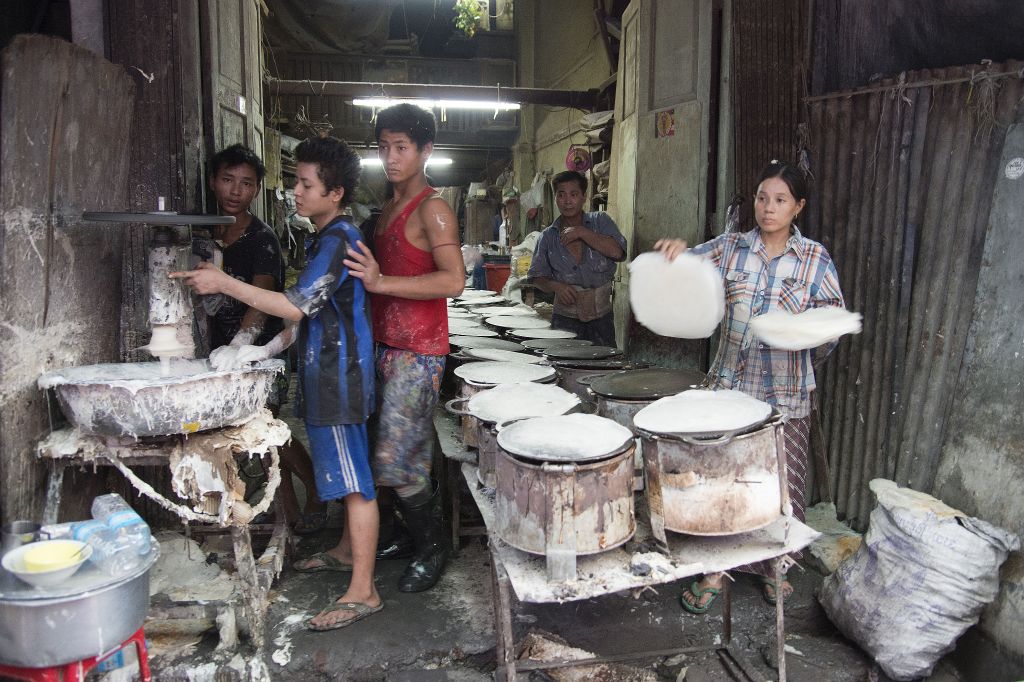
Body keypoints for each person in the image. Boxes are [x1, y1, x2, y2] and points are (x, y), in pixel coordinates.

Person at [173, 137, 380, 631]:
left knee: (356, 487)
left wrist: (224, 283)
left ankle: (364, 590)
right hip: (324, 370)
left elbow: (292, 304)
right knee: (346, 477)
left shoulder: (337, 241)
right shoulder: (322, 237)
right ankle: (347, 551)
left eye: (306, 184)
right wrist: (265, 349)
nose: (295, 192)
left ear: (336, 193)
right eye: (295, 182)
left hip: (340, 377)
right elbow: (305, 313)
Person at [654, 160, 845, 612]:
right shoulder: (733, 247)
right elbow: (691, 271)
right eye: (762, 197)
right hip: (728, 390)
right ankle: (715, 571)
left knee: (781, 487)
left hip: (785, 396)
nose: (768, 208)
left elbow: (832, 324)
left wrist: (799, 351)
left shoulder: (815, 259)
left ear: (798, 206)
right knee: (722, 481)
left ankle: (776, 569)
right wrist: (678, 254)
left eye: (780, 200)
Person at [342, 102, 465, 593]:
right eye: (383, 147)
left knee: (401, 457)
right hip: (383, 343)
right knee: (384, 448)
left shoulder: (433, 210)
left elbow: (454, 281)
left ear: (425, 151)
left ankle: (434, 547)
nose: (390, 158)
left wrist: (380, 281)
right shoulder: (388, 206)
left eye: (401, 148)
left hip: (418, 351)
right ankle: (405, 535)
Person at [204, 144, 326, 535]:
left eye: (245, 184)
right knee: (256, 444)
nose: (235, 191)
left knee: (270, 434)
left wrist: (243, 345)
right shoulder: (203, 233)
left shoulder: (263, 239)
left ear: (256, 190)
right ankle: (286, 514)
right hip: (217, 350)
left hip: (260, 350)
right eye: (227, 180)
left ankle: (314, 490)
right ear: (212, 181)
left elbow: (262, 304)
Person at [526, 170, 626, 346]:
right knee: (564, 366)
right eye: (561, 195)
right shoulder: (548, 237)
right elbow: (536, 277)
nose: (567, 201)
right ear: (556, 198)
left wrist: (583, 232)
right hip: (565, 320)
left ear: (583, 197)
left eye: (573, 194)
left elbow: (617, 252)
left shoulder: (600, 222)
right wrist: (556, 286)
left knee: (604, 367)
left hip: (601, 320)